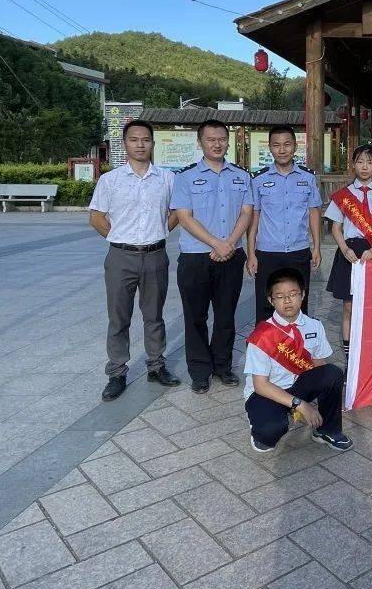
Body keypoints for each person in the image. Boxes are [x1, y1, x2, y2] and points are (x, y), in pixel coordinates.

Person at [89, 119, 182, 401]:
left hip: (155, 255)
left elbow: (178, 211)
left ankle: (156, 366)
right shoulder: (110, 180)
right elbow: (96, 217)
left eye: (145, 140)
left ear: (153, 143)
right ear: (125, 144)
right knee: (119, 317)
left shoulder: (167, 179)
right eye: (134, 139)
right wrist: (117, 237)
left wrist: (161, 231)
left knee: (154, 315)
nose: (140, 144)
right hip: (120, 257)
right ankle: (117, 372)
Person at [171, 119, 254, 394]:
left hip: (231, 254)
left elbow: (246, 212)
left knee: (225, 315)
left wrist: (228, 244)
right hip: (196, 256)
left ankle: (222, 366)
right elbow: (184, 217)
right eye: (210, 139)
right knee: (195, 316)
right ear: (200, 143)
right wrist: (216, 243)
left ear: (227, 142)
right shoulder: (184, 177)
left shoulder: (242, 176)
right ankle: (199, 371)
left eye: (221, 139)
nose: (217, 144)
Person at [244, 267, 351, 453]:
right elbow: (261, 385)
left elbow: (320, 368)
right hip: (267, 392)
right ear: (271, 300)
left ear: (302, 295)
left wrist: (326, 403)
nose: (287, 300)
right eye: (280, 296)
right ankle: (263, 420)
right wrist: (301, 405)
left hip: (298, 386)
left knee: (333, 373)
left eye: (293, 294)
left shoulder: (314, 326)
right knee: (268, 435)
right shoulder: (262, 335)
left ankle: (327, 430)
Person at [324, 144, 372, 358]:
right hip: (350, 253)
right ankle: (350, 356)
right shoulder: (343, 195)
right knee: (349, 306)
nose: (364, 166)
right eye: (360, 162)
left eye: (369, 162)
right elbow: (335, 227)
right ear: (354, 164)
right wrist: (344, 248)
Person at [248, 125, 322, 321]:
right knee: (265, 305)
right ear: (270, 148)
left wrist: (316, 247)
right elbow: (254, 218)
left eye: (287, 144)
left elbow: (314, 212)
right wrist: (251, 254)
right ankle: (265, 350)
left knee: (299, 304)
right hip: (267, 252)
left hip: (299, 250)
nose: (282, 150)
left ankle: (296, 349)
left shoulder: (307, 178)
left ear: (295, 146)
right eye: (276, 145)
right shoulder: (259, 180)